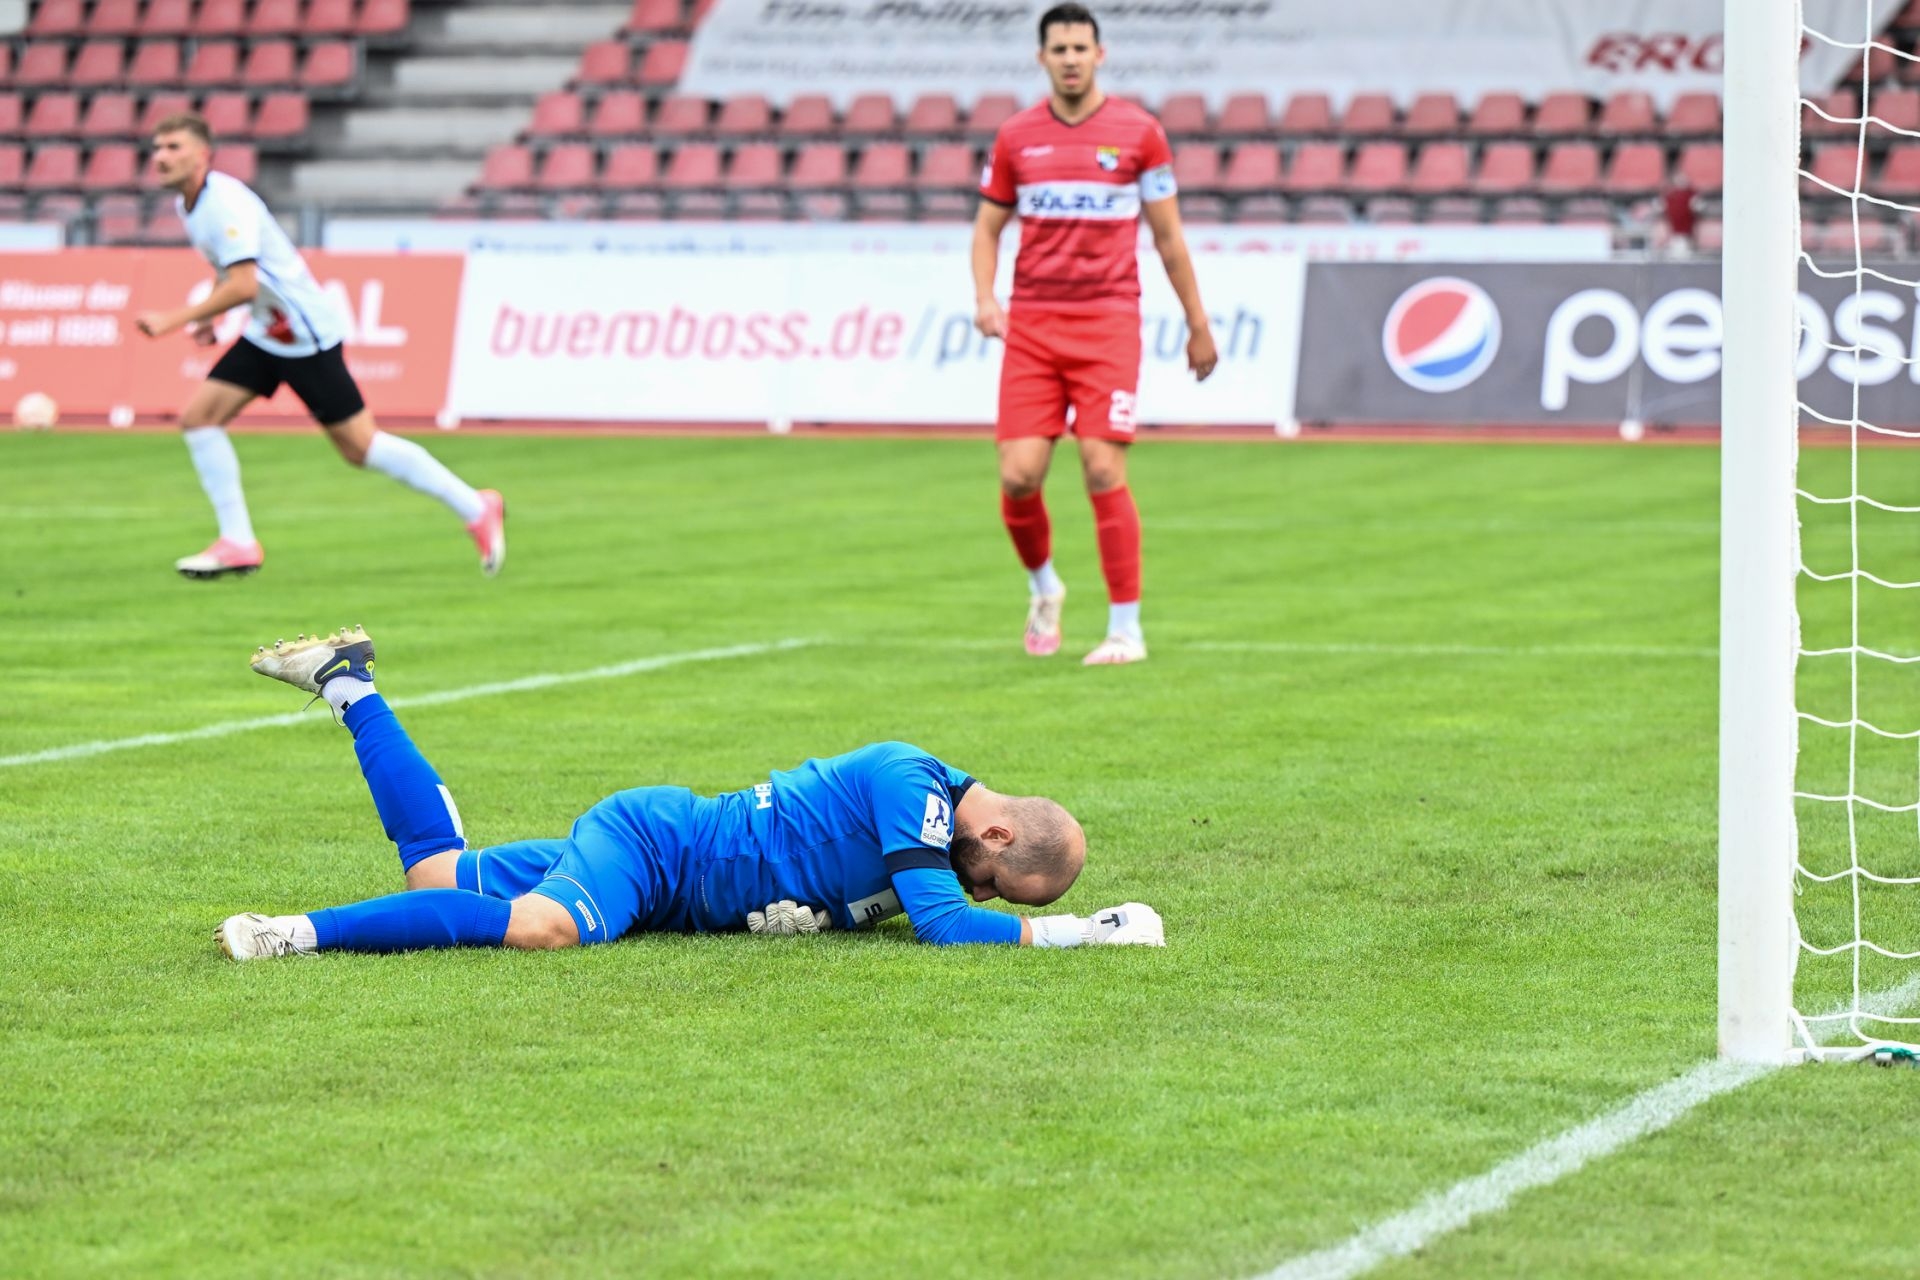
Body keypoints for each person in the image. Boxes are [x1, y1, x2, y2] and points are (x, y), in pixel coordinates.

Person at [215, 626, 1167, 959]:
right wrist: (1090, 932)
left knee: (436, 879)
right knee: (546, 930)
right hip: (658, 849)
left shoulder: (928, 822)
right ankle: (290, 933)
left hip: (671, 882)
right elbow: (946, 927)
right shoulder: (913, 785)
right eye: (997, 884)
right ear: (995, 835)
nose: (980, 895)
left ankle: (349, 685)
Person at [136, 113, 506, 580]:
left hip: (303, 334)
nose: (161, 157)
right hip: (268, 332)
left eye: (173, 147)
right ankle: (238, 542)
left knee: (360, 447)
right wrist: (209, 316)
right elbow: (228, 268)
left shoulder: (224, 203)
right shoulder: (189, 204)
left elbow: (244, 285)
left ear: (202, 155)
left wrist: (175, 319)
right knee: (199, 419)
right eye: (157, 147)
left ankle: (475, 506)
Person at [972, 3, 1217, 666]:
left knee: (1103, 466)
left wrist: (1197, 324)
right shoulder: (1016, 137)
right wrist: (985, 298)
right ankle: (1044, 587)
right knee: (1018, 477)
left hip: (1108, 321)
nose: (1071, 59)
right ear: (1042, 59)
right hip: (1033, 325)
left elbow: (1168, 237)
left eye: (1081, 48)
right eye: (1060, 49)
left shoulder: (1140, 133)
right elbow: (987, 228)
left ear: (1099, 55)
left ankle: (1125, 630)